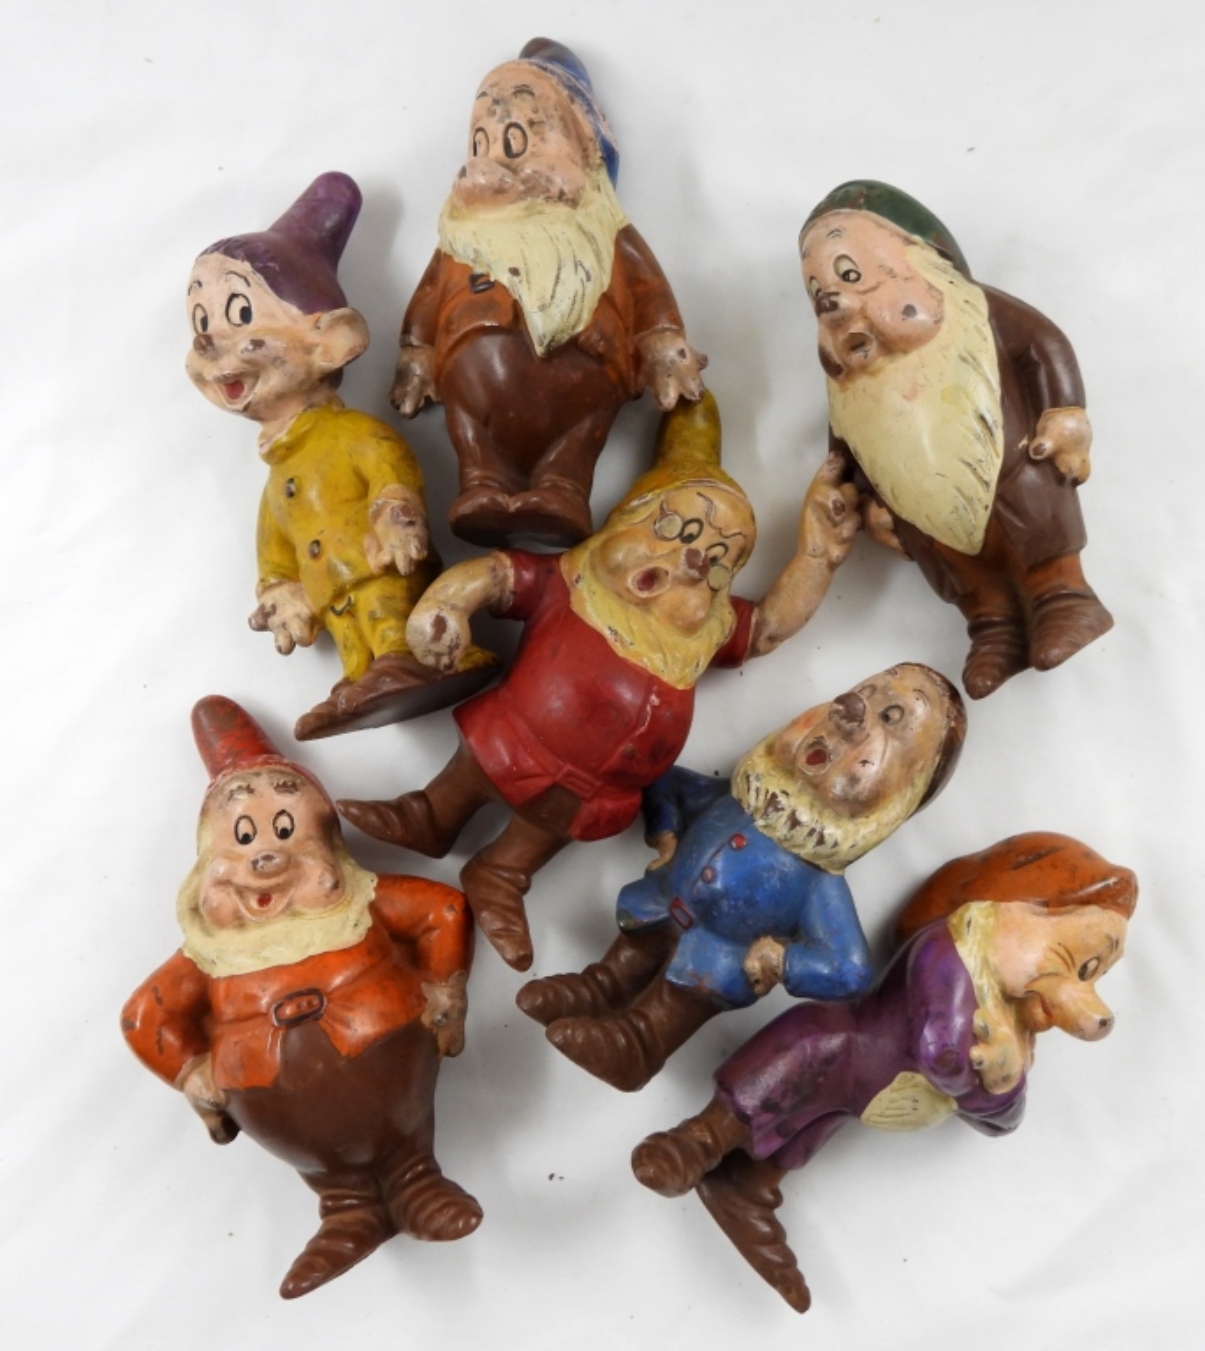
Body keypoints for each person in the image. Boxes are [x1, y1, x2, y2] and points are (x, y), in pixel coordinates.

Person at [340, 392, 859, 972]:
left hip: (595, 789)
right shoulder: (571, 578)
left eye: (719, 559)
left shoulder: (706, 631)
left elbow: (768, 627)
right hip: (513, 735)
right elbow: (496, 574)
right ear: (628, 519)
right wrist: (446, 605)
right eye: (680, 529)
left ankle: (501, 874)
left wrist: (817, 556)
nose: (694, 561)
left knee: (547, 827)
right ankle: (429, 816)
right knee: (471, 774)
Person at [630, 832, 1137, 1312]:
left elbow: (1003, 1122)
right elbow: (940, 1054)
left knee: (807, 1130)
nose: (1085, 998)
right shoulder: (948, 952)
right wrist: (987, 1076)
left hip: (860, 1097)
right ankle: (694, 1143)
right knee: (775, 1084)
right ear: (1014, 909)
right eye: (1081, 965)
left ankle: (747, 1187)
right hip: (832, 1050)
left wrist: (1004, 1082)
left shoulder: (1010, 1026)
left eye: (1093, 976)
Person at [121, 697, 478, 1299]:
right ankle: (347, 1212)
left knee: (407, 1147)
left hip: (389, 1057)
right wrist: (190, 1073)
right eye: (243, 837)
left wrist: (446, 990)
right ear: (210, 861)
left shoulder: (362, 902)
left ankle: (418, 1184)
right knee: (332, 1176)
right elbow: (143, 1017)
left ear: (325, 840)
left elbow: (442, 910)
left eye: (285, 830)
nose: (265, 857)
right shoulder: (209, 954)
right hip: (261, 1085)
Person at [518, 664, 966, 1091]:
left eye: (891, 717)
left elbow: (849, 970)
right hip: (659, 907)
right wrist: (666, 835)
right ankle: (594, 988)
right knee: (621, 963)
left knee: (668, 1011)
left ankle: (636, 1046)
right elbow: (667, 784)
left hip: (713, 962)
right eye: (864, 692)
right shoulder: (736, 797)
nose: (852, 711)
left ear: (900, 796)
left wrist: (782, 961)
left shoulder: (819, 882)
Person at [185, 172, 495, 739]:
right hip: (333, 594)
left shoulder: (351, 433)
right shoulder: (276, 484)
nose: (206, 342)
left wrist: (395, 514)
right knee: (356, 643)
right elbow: (275, 553)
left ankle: (408, 659)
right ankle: (359, 678)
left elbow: (389, 468)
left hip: (380, 568)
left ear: (331, 341)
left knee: (387, 620)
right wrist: (280, 591)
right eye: (201, 321)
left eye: (239, 314)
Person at [799, 180, 1113, 698]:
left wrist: (1065, 413)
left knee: (1031, 503)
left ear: (924, 263)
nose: (833, 300)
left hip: (1012, 465)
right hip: (920, 509)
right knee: (953, 563)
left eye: (852, 274)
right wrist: (865, 502)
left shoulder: (979, 312)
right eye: (818, 291)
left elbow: (1043, 345)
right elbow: (847, 449)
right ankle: (992, 626)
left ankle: (1063, 598)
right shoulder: (851, 386)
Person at [391, 37, 707, 546]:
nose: (493, 160)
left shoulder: (604, 228)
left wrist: (664, 344)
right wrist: (417, 353)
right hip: (470, 369)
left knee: (578, 434)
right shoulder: (462, 236)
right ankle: (481, 482)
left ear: (585, 147)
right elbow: (429, 296)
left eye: (518, 138)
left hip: (590, 362)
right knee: (472, 428)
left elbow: (647, 288)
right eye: (481, 141)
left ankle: (563, 489)